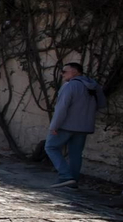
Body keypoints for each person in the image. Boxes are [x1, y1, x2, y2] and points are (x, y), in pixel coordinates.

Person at [46, 61, 107, 189]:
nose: (62, 74)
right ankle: (73, 181)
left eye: (64, 71)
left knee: (51, 147)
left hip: (66, 125)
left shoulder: (70, 86)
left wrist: (54, 126)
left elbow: (62, 108)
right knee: (75, 153)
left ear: (74, 72)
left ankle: (65, 176)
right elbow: (101, 104)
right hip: (85, 126)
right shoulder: (94, 86)